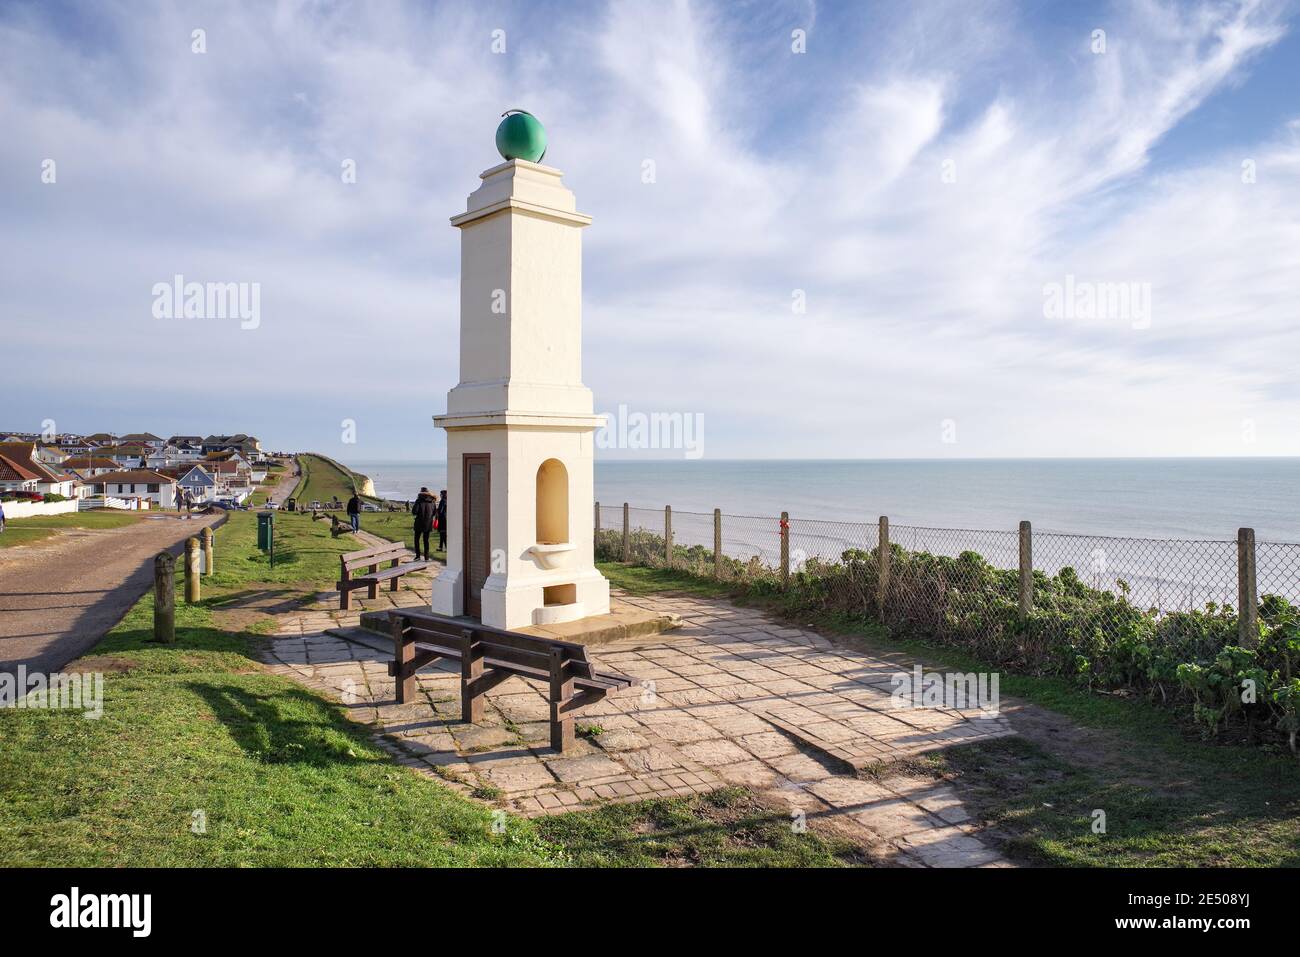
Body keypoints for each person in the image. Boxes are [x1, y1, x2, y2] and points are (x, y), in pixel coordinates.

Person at [412, 486, 436, 561]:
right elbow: (434, 512)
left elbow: (414, 512)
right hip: (428, 523)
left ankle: (418, 556)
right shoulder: (432, 501)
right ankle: (426, 557)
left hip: (419, 522)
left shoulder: (419, 500)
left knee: (417, 540)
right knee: (426, 540)